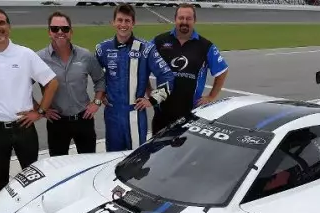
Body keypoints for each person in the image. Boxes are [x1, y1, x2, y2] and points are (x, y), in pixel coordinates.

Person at [0, 7, 59, 194]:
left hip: (24, 127)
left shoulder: (25, 54)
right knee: (0, 181)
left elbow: (52, 82)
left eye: (1, 23)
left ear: (9, 27)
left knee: (32, 179)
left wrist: (39, 112)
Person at [95, 3, 174, 152]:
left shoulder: (146, 49)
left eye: (127, 21)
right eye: (120, 20)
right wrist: (101, 93)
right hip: (112, 114)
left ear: (133, 23)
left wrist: (152, 99)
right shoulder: (102, 49)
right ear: (113, 22)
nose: (123, 25)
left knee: (136, 159)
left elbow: (167, 76)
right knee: (112, 158)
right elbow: (95, 74)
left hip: (135, 114)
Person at [150, 3, 229, 135]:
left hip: (191, 113)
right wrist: (149, 91)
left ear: (194, 21)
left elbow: (222, 71)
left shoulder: (205, 46)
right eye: (181, 18)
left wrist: (211, 96)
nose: (184, 22)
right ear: (175, 19)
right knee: (158, 153)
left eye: (188, 18)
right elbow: (142, 65)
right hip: (162, 112)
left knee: (185, 153)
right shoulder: (159, 41)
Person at [36, 11, 105, 156]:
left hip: (83, 118)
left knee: (88, 162)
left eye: (65, 29)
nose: (60, 32)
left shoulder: (85, 55)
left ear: (71, 32)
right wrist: (41, 109)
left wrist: (97, 102)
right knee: (58, 165)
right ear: (49, 32)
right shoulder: (38, 58)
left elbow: (100, 79)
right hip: (57, 122)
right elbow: (23, 87)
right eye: (55, 29)